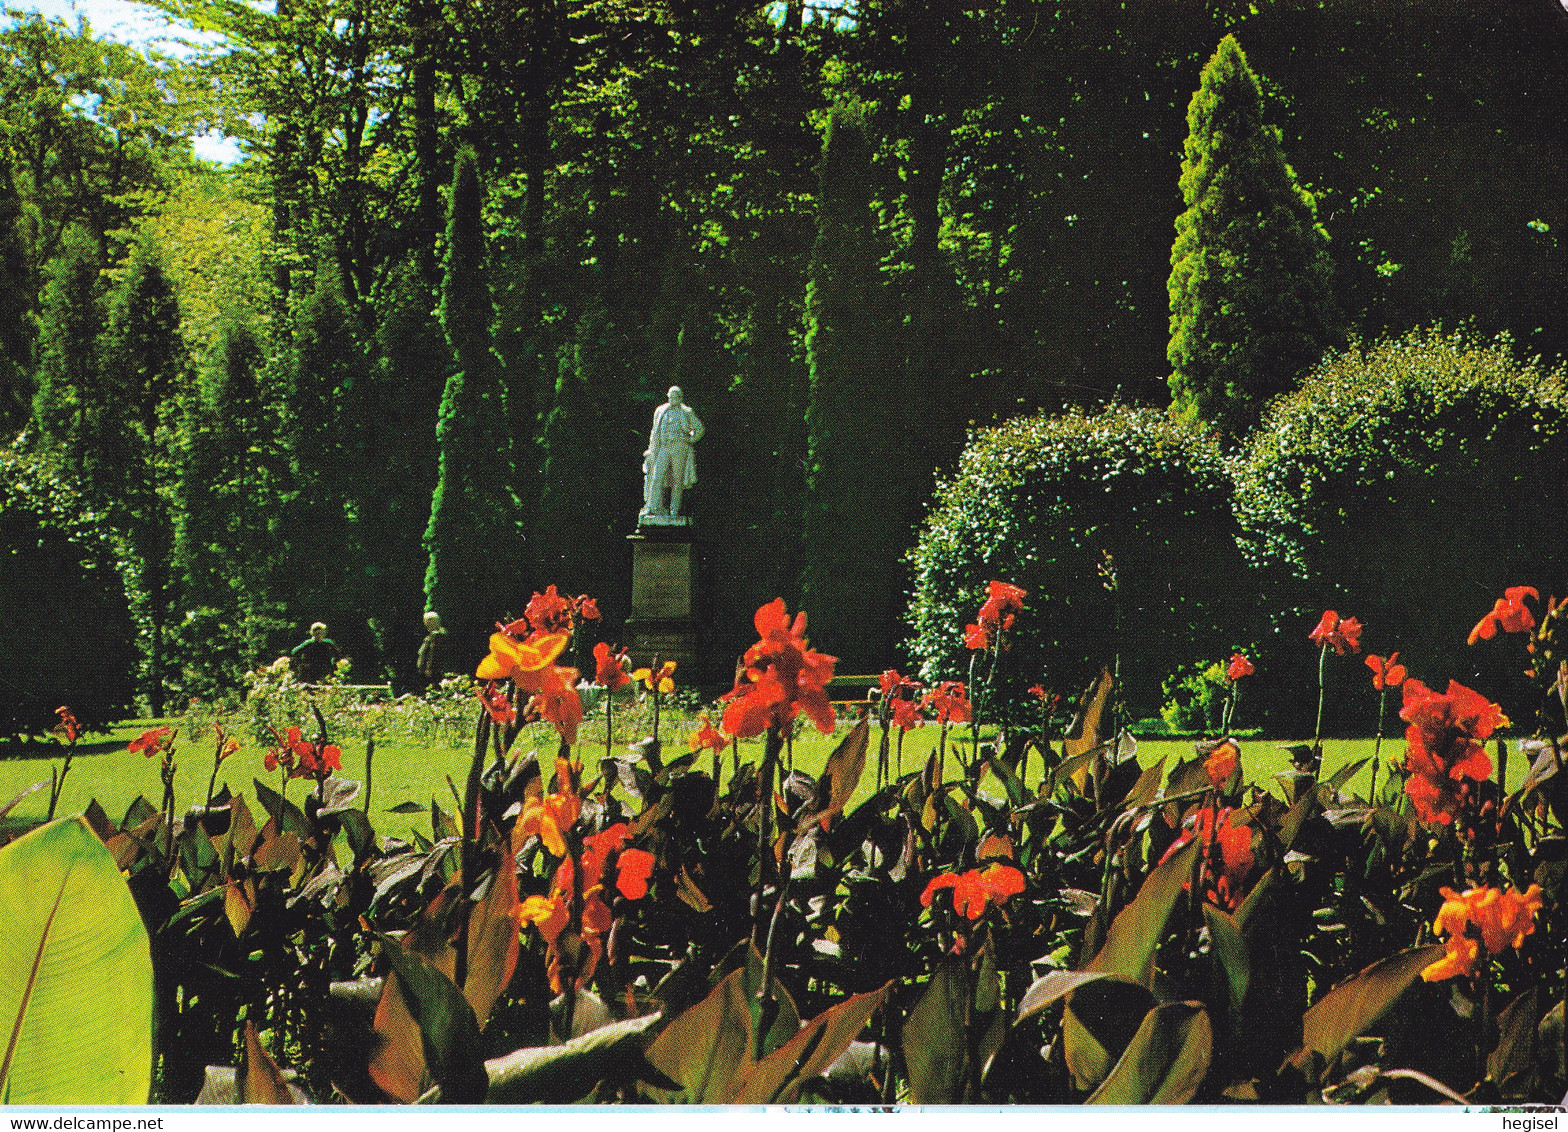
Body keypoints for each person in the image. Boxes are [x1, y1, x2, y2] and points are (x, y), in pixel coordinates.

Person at [640, 385, 704, 520]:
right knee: (657, 476)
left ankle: (674, 510)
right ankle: (652, 507)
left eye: (675, 397)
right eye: (670, 396)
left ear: (680, 398)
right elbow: (654, 431)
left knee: (677, 479)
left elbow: (699, 429)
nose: (672, 399)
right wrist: (651, 450)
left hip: (679, 447)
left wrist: (689, 440)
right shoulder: (660, 410)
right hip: (664, 446)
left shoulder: (686, 411)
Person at [416, 611, 447, 690]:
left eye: (427, 622)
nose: (426, 624)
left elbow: (432, 654)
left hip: (432, 672)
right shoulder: (436, 635)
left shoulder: (435, 636)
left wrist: (429, 668)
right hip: (431, 670)